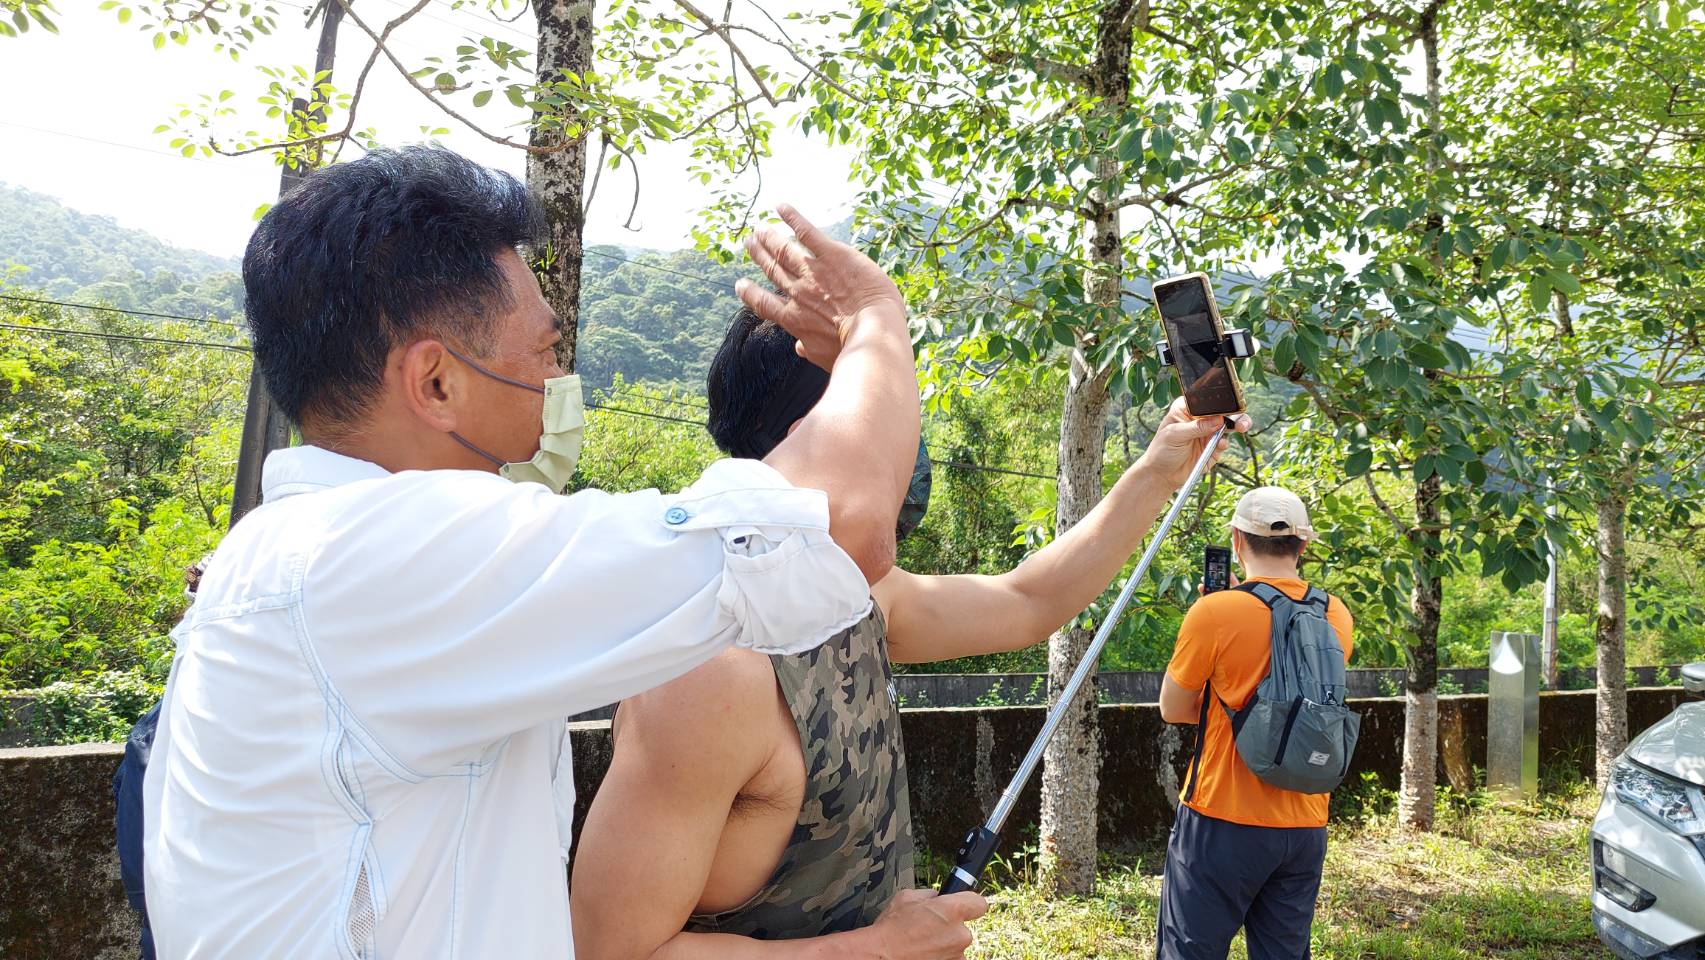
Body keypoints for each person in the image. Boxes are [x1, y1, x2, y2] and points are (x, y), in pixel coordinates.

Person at [140, 146, 924, 960]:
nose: (557, 380)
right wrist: (874, 320)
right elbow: (836, 526)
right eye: (546, 353)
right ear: (436, 382)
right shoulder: (390, 553)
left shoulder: (300, 552)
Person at [569, 307, 1249, 960]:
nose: (913, 450)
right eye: (892, 415)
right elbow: (612, 950)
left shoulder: (860, 595)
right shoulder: (712, 669)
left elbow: (1028, 600)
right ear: (821, 434)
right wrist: (877, 949)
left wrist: (1159, 469)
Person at [1155, 486, 1355, 960]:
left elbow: (1174, 708)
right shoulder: (1336, 613)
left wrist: (1220, 614)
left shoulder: (1214, 612)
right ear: (1302, 544)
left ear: (1237, 540)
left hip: (1221, 818)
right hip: (1306, 821)